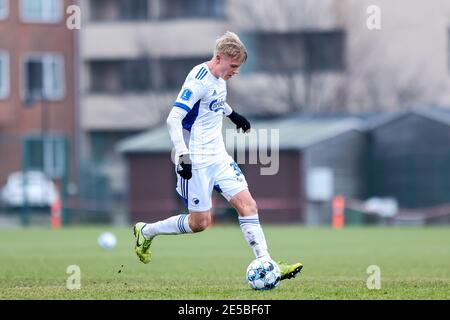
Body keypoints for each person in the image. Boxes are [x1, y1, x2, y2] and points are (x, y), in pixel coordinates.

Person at [133, 31, 303, 280]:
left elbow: (213, 101)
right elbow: (174, 118)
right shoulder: (198, 80)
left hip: (219, 156)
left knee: (248, 206)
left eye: (238, 67)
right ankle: (146, 231)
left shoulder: (220, 77)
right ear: (219, 57)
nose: (235, 71)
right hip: (197, 159)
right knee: (199, 223)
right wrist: (183, 155)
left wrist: (232, 114)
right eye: (233, 66)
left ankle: (267, 263)